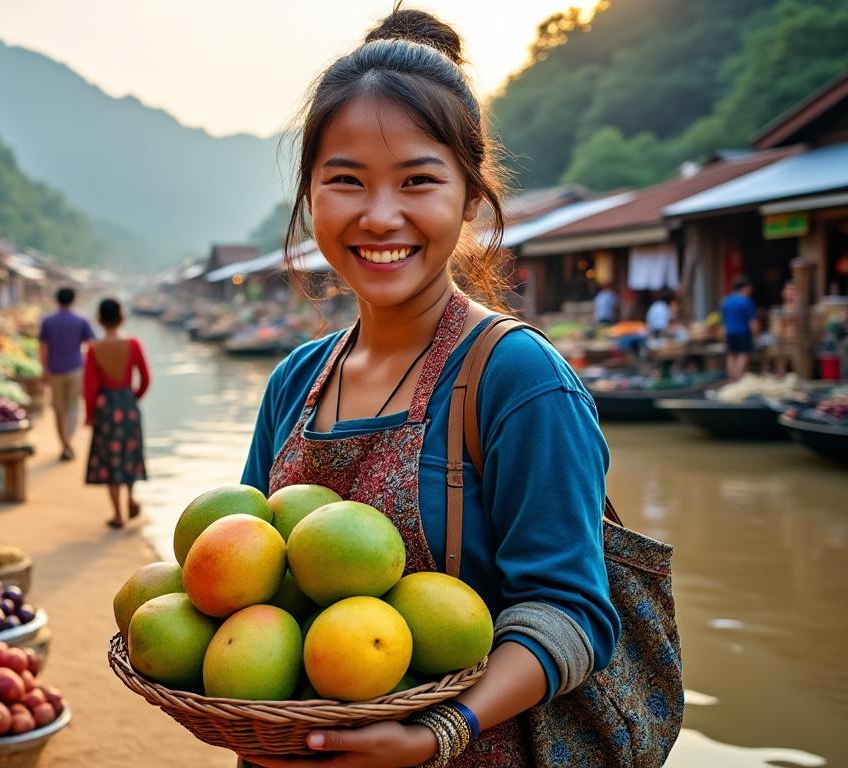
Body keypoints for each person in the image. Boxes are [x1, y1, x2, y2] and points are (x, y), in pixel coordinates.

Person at [240, 8, 620, 766]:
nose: (381, 216)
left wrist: (437, 731)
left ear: (470, 198)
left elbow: (573, 614)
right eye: (345, 181)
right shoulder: (294, 381)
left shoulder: (518, 379)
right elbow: (246, 577)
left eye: (418, 180)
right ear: (311, 195)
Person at [84, 298, 149, 529]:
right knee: (129, 455)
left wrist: (90, 415)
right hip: (127, 405)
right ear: (122, 317)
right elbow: (145, 378)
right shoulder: (133, 344)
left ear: (99, 319)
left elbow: (90, 388)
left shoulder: (93, 349)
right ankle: (131, 496)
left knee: (111, 460)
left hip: (106, 409)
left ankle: (118, 514)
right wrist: (133, 398)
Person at [38, 287, 96, 460]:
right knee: (72, 408)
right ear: (74, 300)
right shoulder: (81, 320)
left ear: (57, 300)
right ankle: (67, 443)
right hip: (75, 369)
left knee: (58, 409)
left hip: (55, 370)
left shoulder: (48, 321)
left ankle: (65, 445)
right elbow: (91, 345)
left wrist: (44, 369)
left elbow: (43, 348)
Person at [721, 275, 758, 379]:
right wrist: (755, 337)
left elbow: (723, 322)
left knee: (731, 355)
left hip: (729, 333)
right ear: (745, 288)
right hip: (743, 332)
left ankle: (731, 379)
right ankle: (738, 379)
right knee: (743, 354)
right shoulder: (746, 301)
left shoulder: (726, 301)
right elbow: (753, 322)